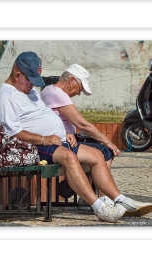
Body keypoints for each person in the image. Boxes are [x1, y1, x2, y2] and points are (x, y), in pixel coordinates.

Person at [0, 51, 152, 223]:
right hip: (35, 146)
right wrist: (44, 139)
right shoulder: (6, 97)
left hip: (57, 141)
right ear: (18, 75)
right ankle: (99, 207)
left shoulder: (29, 92)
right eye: (30, 80)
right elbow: (13, 133)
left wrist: (64, 133)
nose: (33, 85)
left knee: (97, 155)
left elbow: (44, 116)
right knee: (69, 157)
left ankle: (120, 200)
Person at [40, 64, 119, 200]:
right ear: (71, 81)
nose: (79, 93)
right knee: (105, 151)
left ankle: (94, 195)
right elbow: (82, 124)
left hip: (66, 138)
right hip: (59, 143)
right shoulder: (55, 93)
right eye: (80, 88)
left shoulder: (53, 92)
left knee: (103, 151)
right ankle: (101, 198)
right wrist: (108, 142)